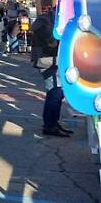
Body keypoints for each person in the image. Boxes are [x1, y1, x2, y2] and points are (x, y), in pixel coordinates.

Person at [31, 9, 71, 137]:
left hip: (52, 59)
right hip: (45, 59)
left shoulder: (51, 20)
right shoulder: (44, 20)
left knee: (57, 93)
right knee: (55, 92)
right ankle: (50, 125)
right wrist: (52, 39)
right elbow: (40, 30)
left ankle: (53, 122)